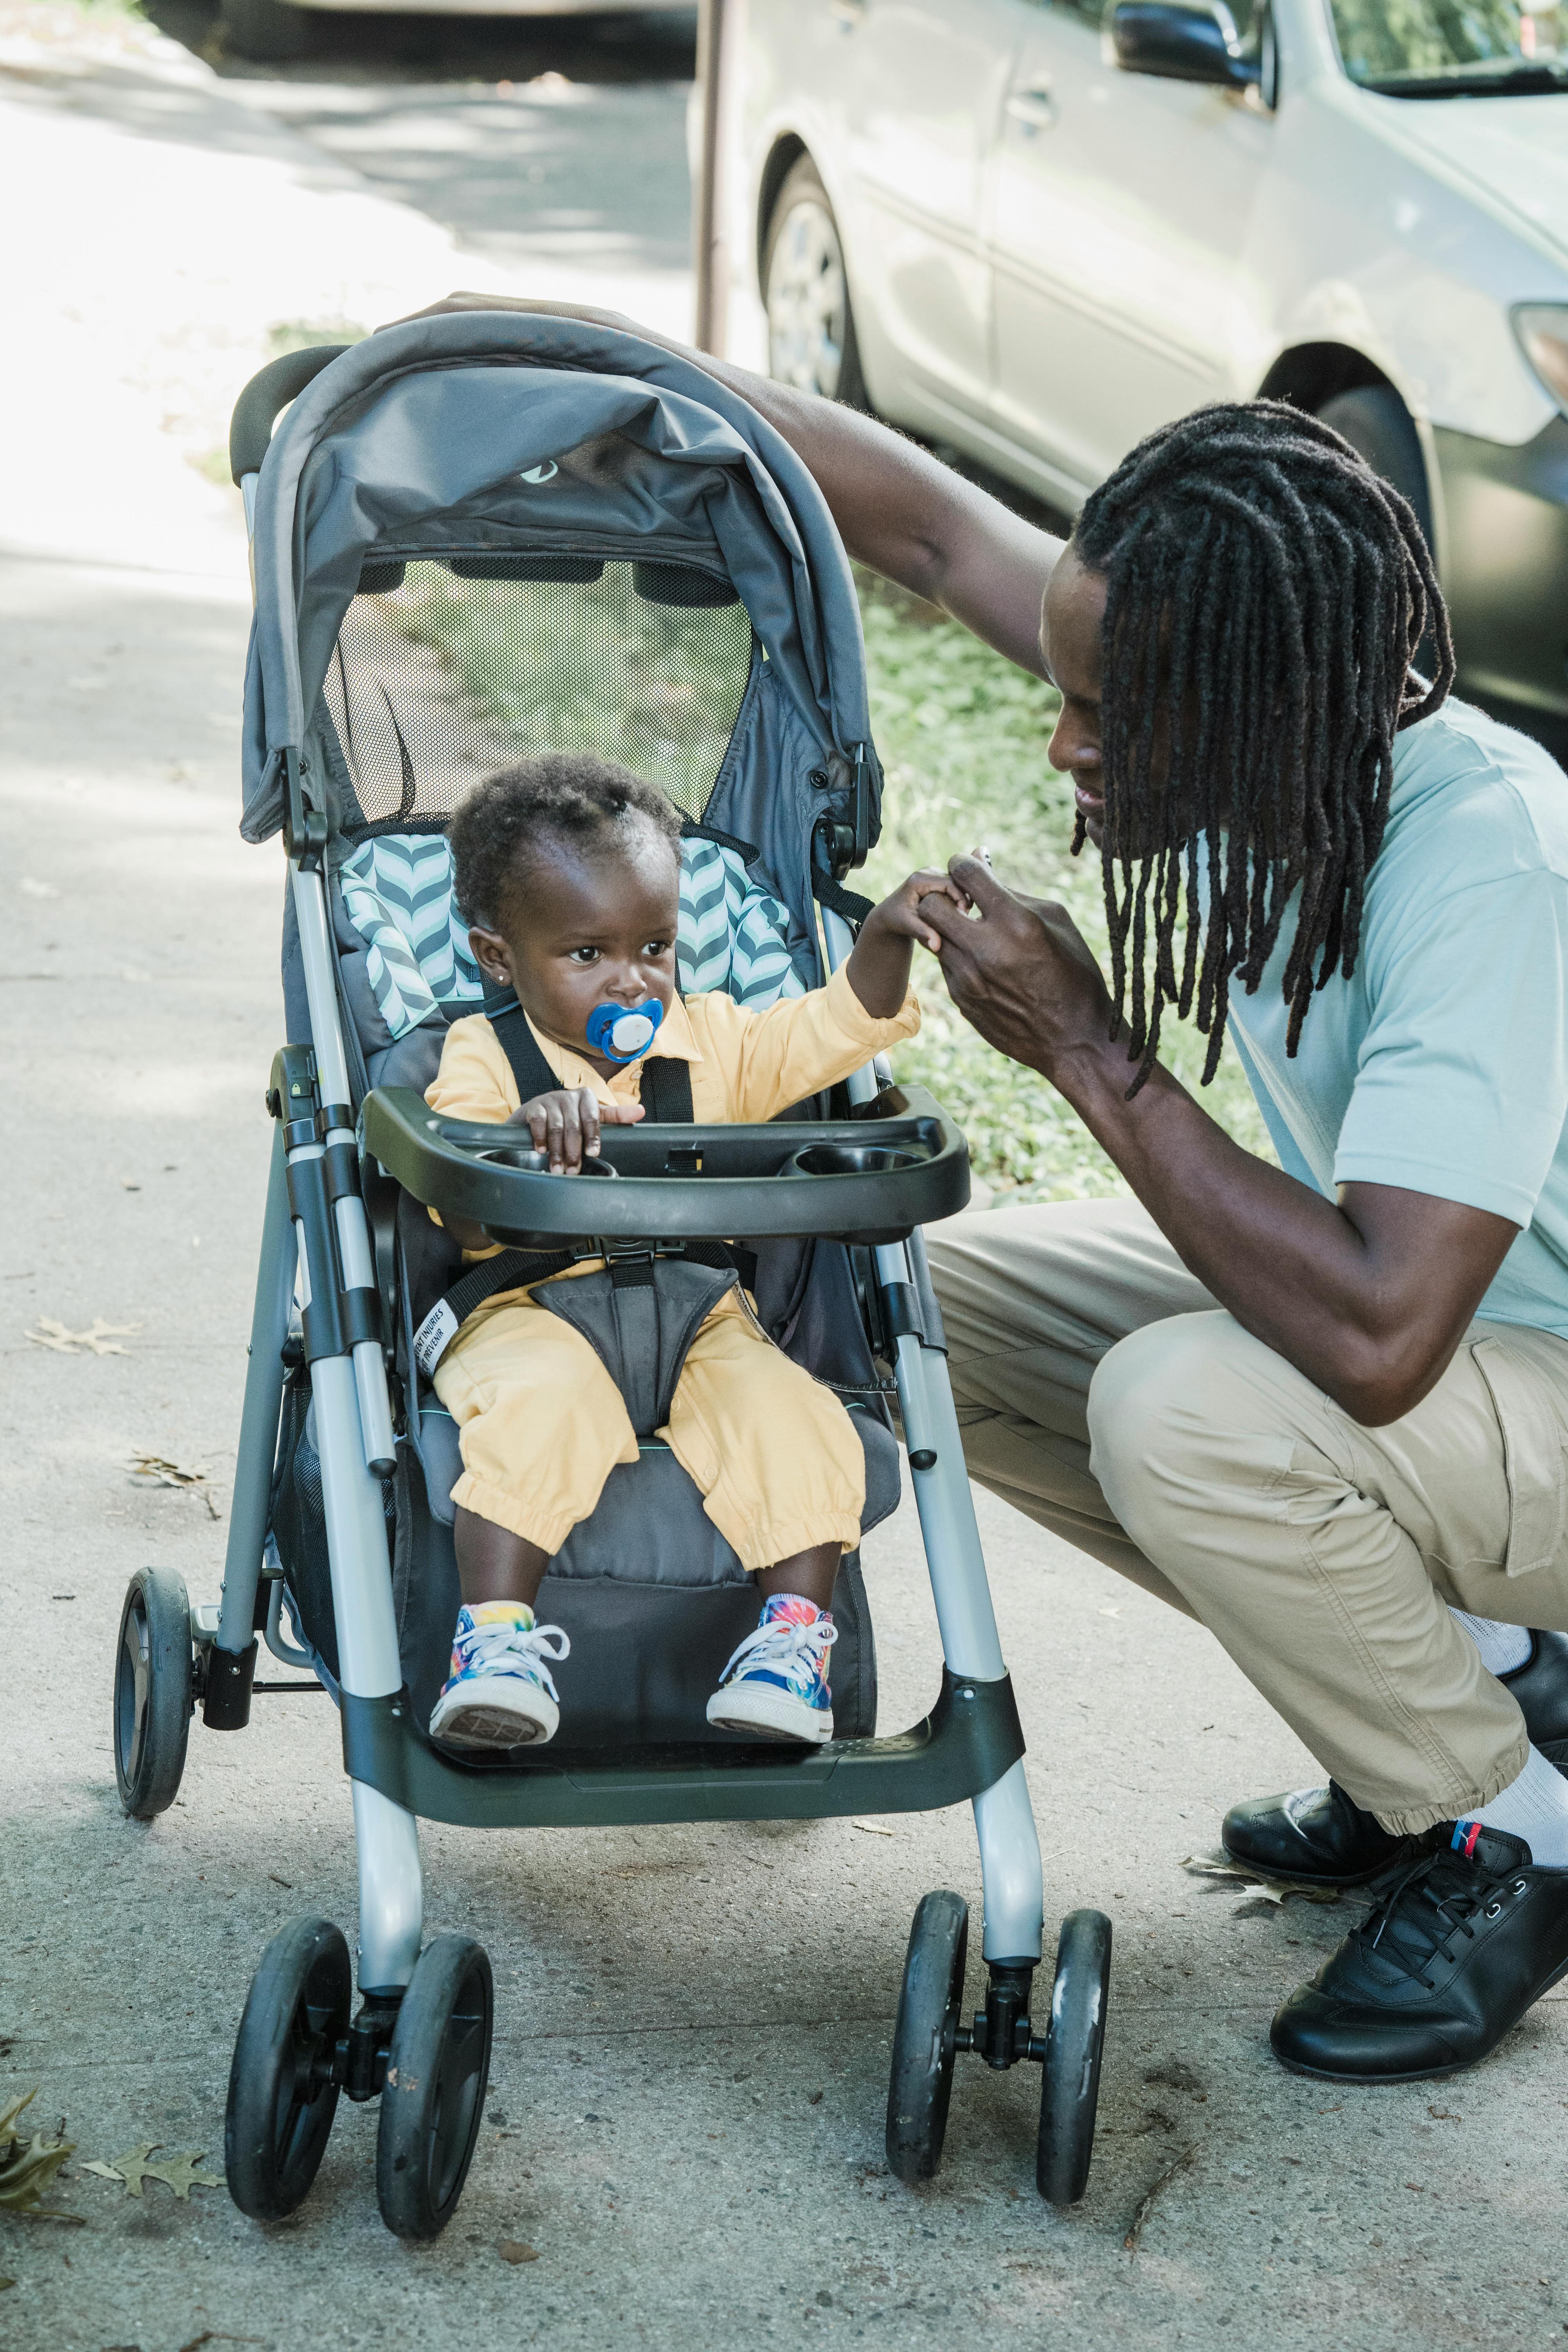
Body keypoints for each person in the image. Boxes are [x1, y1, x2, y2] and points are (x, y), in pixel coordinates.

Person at [409, 296, 1568, 2088]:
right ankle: (1476, 1678)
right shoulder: (1247, 683)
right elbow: (925, 526)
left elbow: (1376, 1327)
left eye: (1108, 717)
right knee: (916, 1312)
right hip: (1468, 1363)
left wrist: (1092, 1054)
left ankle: (1508, 1828)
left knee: (1183, 1413)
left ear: (1259, 701)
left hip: (1497, 1361)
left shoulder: (1482, 855)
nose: (1059, 746)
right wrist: (599, 367)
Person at [422, 750, 955, 1754]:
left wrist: (883, 934)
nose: (633, 979)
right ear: (501, 959)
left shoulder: (714, 1041)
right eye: (588, 956)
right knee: (541, 1408)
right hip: (530, 1311)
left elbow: (838, 1028)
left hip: (695, 1309)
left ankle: (791, 1650)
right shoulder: (484, 1056)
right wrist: (535, 1128)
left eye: (655, 946)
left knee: (792, 1417)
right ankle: (493, 1646)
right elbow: (464, 1213)